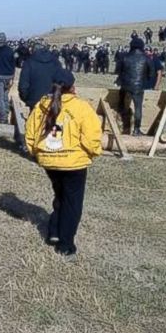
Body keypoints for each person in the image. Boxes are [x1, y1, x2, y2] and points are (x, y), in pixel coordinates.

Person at [25, 68, 103, 257]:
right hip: (73, 162)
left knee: (61, 196)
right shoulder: (81, 107)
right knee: (73, 203)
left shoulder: (42, 106)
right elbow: (92, 137)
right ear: (73, 87)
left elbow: (30, 133)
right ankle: (66, 243)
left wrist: (36, 153)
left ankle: (54, 231)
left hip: (49, 160)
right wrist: (93, 153)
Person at [115, 37, 151, 135]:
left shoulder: (125, 57)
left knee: (121, 98)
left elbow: (118, 71)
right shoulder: (146, 58)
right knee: (138, 108)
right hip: (138, 86)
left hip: (125, 85)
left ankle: (120, 109)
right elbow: (151, 73)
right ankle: (136, 129)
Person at [18, 41, 63, 110]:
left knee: (35, 119)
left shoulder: (29, 62)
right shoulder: (56, 62)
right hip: (52, 99)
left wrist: (27, 98)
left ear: (33, 51)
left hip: (35, 100)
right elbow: (61, 80)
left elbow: (23, 85)